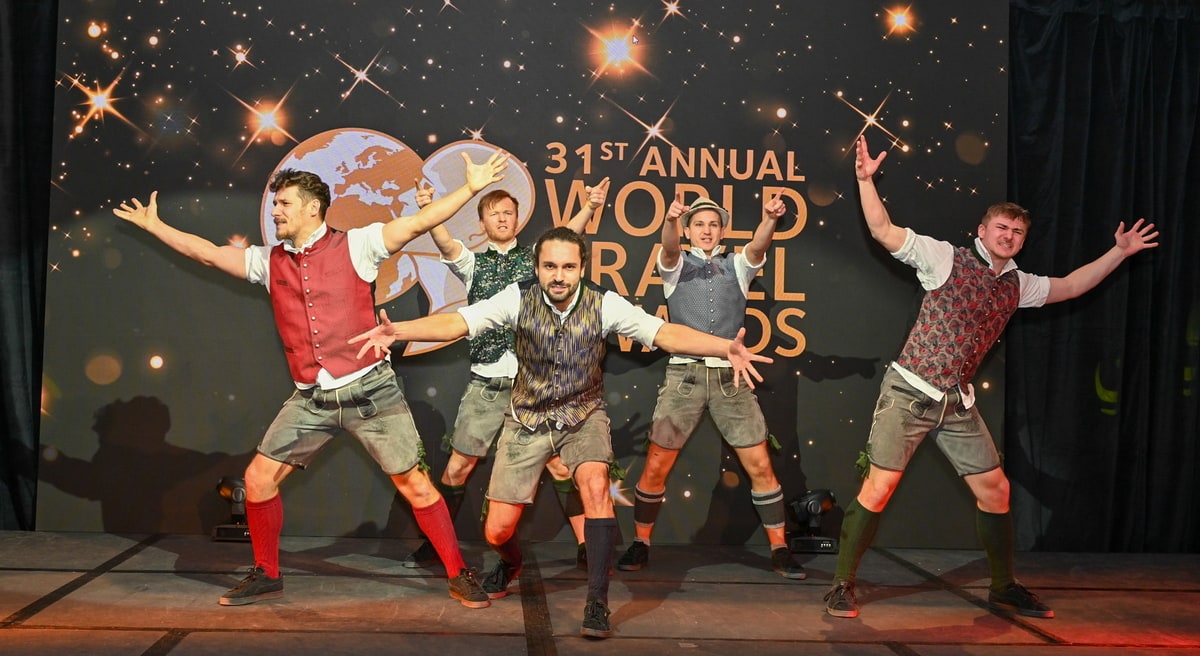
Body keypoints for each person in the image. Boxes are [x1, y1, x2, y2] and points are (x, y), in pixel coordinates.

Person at [111, 150, 509, 609]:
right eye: (275, 203)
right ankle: (266, 573)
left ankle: (459, 574)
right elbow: (209, 255)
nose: (275, 211)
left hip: (371, 393)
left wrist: (471, 188)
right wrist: (155, 227)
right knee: (258, 479)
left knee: (416, 485)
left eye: (283, 204)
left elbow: (417, 224)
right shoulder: (269, 260)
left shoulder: (359, 244)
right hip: (312, 398)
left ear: (312, 208)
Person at [350, 226, 772, 639]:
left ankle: (597, 601)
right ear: (537, 266)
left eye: (568, 267)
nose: (558, 275)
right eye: (550, 266)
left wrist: (722, 347)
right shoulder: (517, 297)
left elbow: (663, 332)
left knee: (594, 485)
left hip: (583, 417)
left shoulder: (604, 303)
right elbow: (460, 322)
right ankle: (510, 562)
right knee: (497, 530)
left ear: (582, 267)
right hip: (526, 421)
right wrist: (399, 330)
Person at [825, 136, 1159, 620]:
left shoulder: (1018, 284)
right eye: (1001, 227)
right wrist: (863, 180)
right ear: (981, 230)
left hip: (957, 404)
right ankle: (841, 585)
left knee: (996, 490)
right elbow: (883, 231)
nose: (1008, 236)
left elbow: (1069, 286)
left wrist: (1119, 253)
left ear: (1023, 240)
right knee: (878, 489)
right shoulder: (944, 259)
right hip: (910, 392)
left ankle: (1003, 586)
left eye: (1017, 232)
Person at [402, 175, 611, 572]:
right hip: (486, 385)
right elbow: (443, 241)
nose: (502, 217)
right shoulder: (471, 263)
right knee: (458, 466)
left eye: (509, 212)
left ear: (517, 219)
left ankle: (587, 544)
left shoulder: (537, 263)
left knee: (561, 466)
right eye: (494, 213)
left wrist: (591, 206)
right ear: (481, 223)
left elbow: (568, 239)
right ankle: (436, 543)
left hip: (534, 387)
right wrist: (429, 208)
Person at [615, 193, 806, 580]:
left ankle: (780, 548)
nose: (706, 230)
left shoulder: (736, 266)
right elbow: (668, 249)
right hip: (683, 376)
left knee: (760, 465)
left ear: (722, 231)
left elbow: (757, 247)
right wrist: (670, 221)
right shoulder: (674, 265)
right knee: (656, 465)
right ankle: (641, 543)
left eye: (713, 224)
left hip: (730, 378)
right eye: (698, 224)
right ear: (688, 230)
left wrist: (769, 219)